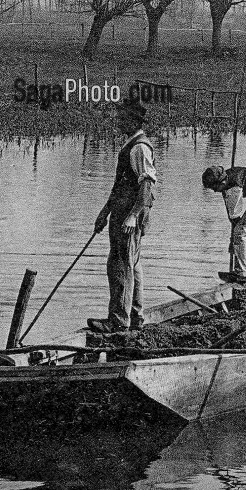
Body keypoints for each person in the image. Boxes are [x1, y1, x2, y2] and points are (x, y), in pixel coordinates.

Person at [86, 99, 156, 334]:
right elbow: (120, 186)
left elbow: (146, 186)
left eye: (122, 118)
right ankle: (135, 317)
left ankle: (118, 320)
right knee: (131, 264)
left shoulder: (139, 147)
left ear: (133, 121)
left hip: (129, 216)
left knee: (120, 265)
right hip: (121, 212)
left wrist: (132, 216)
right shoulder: (131, 145)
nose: (117, 121)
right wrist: (104, 213)